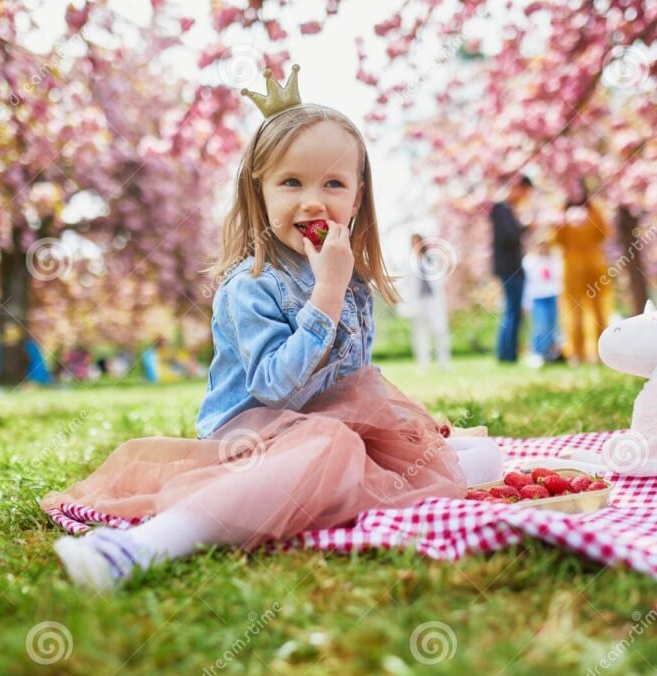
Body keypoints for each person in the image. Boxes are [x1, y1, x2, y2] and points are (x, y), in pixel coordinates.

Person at [46, 66, 503, 591]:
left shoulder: (347, 278)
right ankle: (145, 546)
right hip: (253, 442)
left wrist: (408, 429)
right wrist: (325, 297)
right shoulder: (252, 285)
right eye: (292, 183)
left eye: (333, 183)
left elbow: (353, 385)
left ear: (356, 199)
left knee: (480, 457)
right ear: (258, 193)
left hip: (334, 431)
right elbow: (275, 388)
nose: (313, 201)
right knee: (332, 446)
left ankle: (341, 482)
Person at [551, 180, 611, 366]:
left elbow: (605, 233)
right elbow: (556, 239)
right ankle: (577, 353)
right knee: (573, 311)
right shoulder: (561, 213)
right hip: (574, 269)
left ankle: (602, 353)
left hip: (594, 267)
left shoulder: (595, 210)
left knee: (599, 310)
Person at [490, 174, 532, 362]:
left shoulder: (507, 210)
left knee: (513, 311)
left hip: (512, 267)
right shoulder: (502, 209)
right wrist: (525, 228)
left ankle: (509, 353)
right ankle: (507, 354)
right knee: (512, 311)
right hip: (510, 268)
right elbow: (507, 238)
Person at [405, 233, 451, 370]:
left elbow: (442, 279)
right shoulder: (408, 262)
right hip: (418, 301)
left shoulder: (432, 259)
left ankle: (444, 362)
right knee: (420, 333)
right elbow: (406, 284)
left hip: (434, 300)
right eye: (413, 242)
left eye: (418, 242)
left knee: (440, 330)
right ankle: (423, 363)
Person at [521, 240, 563, 367]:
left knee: (552, 326)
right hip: (538, 297)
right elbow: (527, 283)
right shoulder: (529, 262)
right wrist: (525, 302)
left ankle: (550, 353)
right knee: (541, 325)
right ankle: (537, 352)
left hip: (553, 295)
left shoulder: (554, 260)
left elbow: (560, 277)